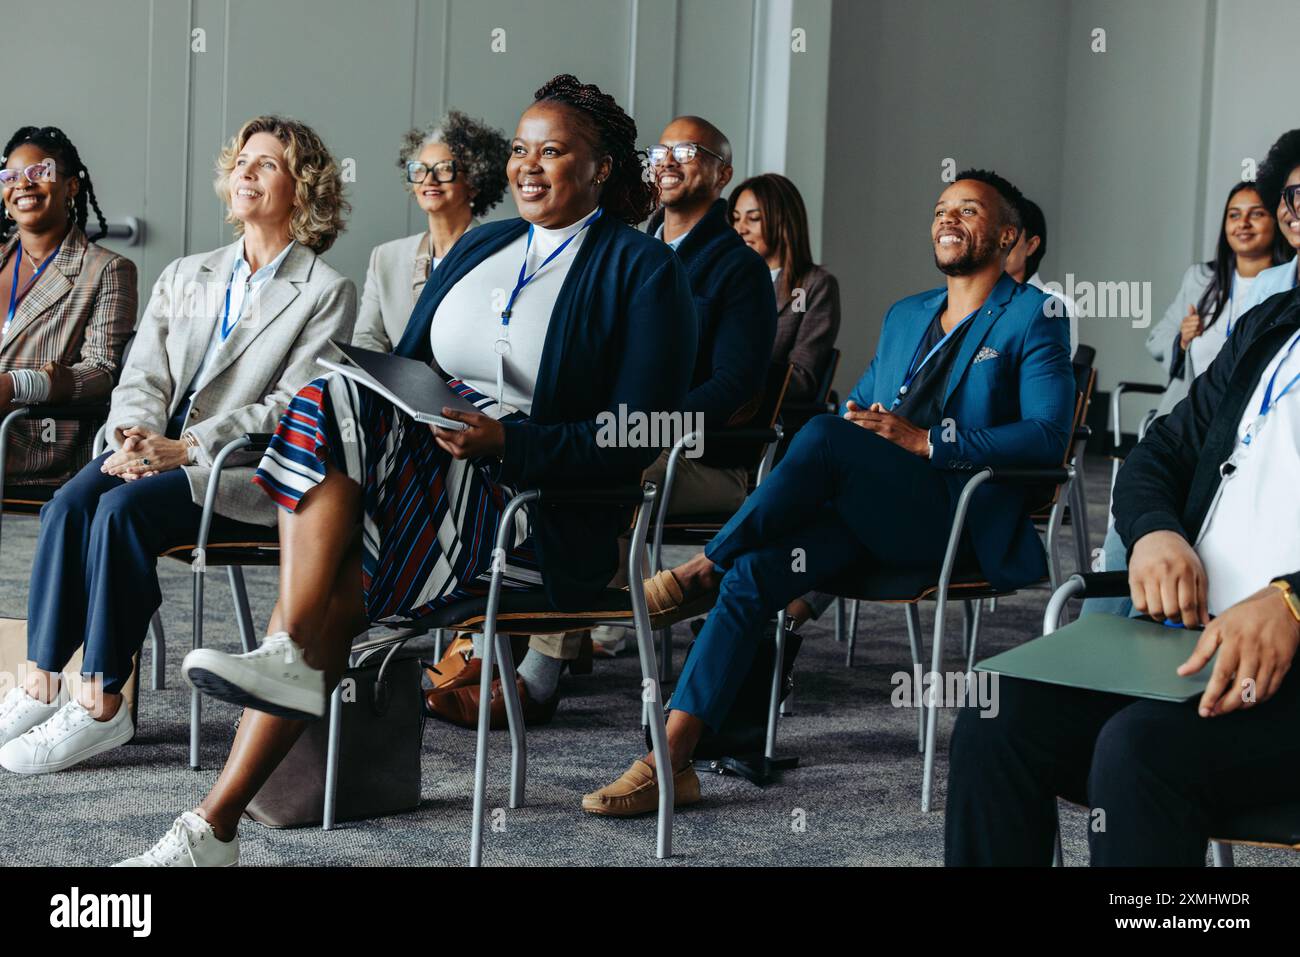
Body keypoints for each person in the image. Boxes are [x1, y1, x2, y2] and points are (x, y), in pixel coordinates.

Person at [115, 74, 697, 866]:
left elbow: (642, 431)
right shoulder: (486, 245)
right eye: (520, 150)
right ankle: (214, 824)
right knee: (333, 396)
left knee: (327, 589)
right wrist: (404, 393)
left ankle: (221, 803)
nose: (529, 167)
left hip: (529, 516)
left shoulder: (642, 269)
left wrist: (509, 442)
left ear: (600, 170)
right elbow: (402, 364)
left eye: (553, 152)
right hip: (421, 491)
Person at [584, 170, 1075, 817]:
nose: (947, 218)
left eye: (969, 210)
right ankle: (670, 758)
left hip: (955, 520)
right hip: (872, 512)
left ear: (1009, 234)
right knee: (759, 572)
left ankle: (705, 563)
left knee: (816, 436)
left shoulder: (1035, 316)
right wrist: (863, 422)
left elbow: (1047, 436)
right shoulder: (907, 315)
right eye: (940, 208)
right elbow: (862, 404)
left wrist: (930, 441)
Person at [0, 116, 356, 774]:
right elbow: (143, 374)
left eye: (268, 164)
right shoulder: (187, 272)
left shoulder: (326, 290)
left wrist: (185, 447)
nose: (246, 172)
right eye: (242, 160)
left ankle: (102, 700)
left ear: (303, 189)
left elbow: (295, 407)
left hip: (240, 471)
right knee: (69, 505)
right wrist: (133, 435)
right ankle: (43, 679)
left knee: (120, 513)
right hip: (153, 450)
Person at [945, 244, 1300, 866]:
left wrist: (1291, 599)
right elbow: (1159, 451)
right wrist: (1157, 532)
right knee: (993, 708)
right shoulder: (1271, 325)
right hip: (1186, 641)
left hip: (1285, 670)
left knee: (1138, 750)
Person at [566, 115, 778, 666]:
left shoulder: (740, 268)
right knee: (535, 455)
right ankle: (517, 631)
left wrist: (643, 424)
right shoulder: (629, 251)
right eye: (661, 149)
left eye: (687, 150)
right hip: (623, 437)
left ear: (722, 172)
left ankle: (543, 667)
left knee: (598, 466)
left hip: (705, 460)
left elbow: (734, 386)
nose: (667, 159)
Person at [0, 126, 136, 484]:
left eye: (39, 173)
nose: (23, 184)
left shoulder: (107, 270)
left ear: (71, 186)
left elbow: (102, 372)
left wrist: (18, 385)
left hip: (33, 433)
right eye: (10, 176)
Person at [351, 111, 509, 353]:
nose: (429, 179)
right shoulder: (384, 257)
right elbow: (367, 337)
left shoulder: (498, 256)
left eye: (444, 169)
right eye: (420, 169)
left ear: (475, 182)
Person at [1144, 181, 1288, 418]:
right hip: (1189, 418)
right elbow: (1157, 338)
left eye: (1257, 214)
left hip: (1253, 420)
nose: (1243, 223)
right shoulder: (1200, 279)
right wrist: (1182, 340)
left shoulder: (1289, 286)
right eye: (1234, 215)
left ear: (1276, 220)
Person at [729, 172, 840, 404]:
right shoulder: (730, 280)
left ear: (782, 220)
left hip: (754, 411)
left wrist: (731, 379)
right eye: (736, 218)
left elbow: (801, 378)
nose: (740, 228)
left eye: (753, 218)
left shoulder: (815, 286)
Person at [1003, 196, 1077, 357]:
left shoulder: (1057, 305)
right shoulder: (975, 300)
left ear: (1030, 246)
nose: (1000, 243)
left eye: (1010, 235)